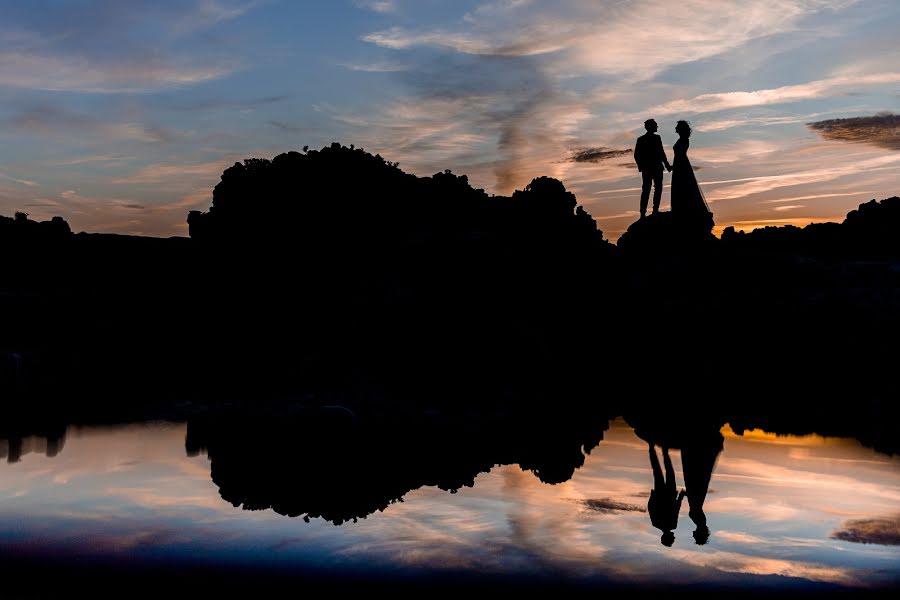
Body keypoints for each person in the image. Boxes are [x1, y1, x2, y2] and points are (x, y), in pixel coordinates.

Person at [670, 120, 712, 220]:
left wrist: (673, 166)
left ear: (680, 129)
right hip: (680, 164)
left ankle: (686, 210)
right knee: (682, 186)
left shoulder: (684, 139)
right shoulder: (682, 139)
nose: (675, 128)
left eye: (677, 127)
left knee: (684, 186)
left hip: (682, 165)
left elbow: (680, 155)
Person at [647, 443, 685, 546]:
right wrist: (654, 496)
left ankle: (663, 450)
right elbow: (650, 507)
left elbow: (676, 508)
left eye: (672, 539)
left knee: (668, 471)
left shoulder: (673, 525)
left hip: (668, 493)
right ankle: (652, 448)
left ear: (668, 537)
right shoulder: (656, 524)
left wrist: (681, 496)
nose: (674, 537)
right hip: (661, 493)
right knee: (657, 471)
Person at [633, 119, 671, 218]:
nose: (657, 127)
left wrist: (666, 165)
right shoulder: (642, 139)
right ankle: (645, 212)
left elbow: (661, 153)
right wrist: (641, 166)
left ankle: (652, 211)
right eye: (655, 125)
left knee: (653, 189)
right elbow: (637, 155)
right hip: (651, 168)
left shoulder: (654, 138)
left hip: (655, 167)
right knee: (649, 189)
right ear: (650, 127)